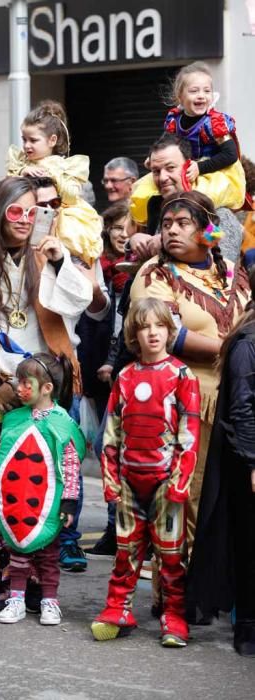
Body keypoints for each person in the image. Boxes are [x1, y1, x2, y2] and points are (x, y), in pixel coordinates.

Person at [0, 176, 95, 611]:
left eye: (34, 212)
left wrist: (59, 260)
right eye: (16, 211)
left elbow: (78, 303)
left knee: (43, 487)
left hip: (45, 392)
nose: (26, 220)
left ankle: (37, 586)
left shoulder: (46, 255)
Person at [130, 191, 250, 562]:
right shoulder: (155, 274)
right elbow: (166, 332)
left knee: (235, 494)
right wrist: (234, 348)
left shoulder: (232, 270)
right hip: (187, 400)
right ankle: (180, 589)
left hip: (238, 398)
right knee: (188, 492)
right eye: (166, 225)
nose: (172, 232)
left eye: (183, 223)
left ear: (206, 231)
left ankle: (227, 591)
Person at [91, 298, 201, 648]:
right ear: (133, 334)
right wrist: (111, 480)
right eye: (144, 326)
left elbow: (190, 434)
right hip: (128, 484)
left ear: (170, 331)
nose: (152, 333)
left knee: (171, 558)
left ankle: (174, 617)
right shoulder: (124, 376)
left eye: (159, 326)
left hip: (166, 484)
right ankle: (117, 610)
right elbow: (111, 433)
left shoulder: (183, 377)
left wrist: (179, 482)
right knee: (125, 553)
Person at [31, 175, 110, 572]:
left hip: (64, 371)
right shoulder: (3, 254)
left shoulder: (74, 251)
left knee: (68, 459)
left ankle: (68, 538)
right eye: (35, 207)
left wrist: (70, 268)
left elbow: (97, 310)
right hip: (18, 372)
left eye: (51, 205)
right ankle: (20, 536)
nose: (45, 214)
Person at [0, 353, 86, 625]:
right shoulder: (15, 420)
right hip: (18, 504)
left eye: (26, 383)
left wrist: (69, 502)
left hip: (47, 504)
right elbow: (2, 457)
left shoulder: (62, 423)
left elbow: (71, 467)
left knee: (49, 555)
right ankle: (16, 598)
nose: (18, 389)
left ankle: (50, 601)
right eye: (18, 382)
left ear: (47, 388)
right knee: (17, 552)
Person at [189, 267, 255, 656]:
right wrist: (251, 461)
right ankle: (246, 624)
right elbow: (244, 407)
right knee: (248, 544)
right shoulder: (247, 342)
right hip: (246, 456)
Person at [81, 202, 132, 559]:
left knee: (110, 446)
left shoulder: (135, 272)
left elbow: (126, 325)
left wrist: (114, 361)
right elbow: (113, 323)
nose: (122, 233)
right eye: (116, 226)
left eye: (128, 227)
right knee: (108, 447)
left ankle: (123, 528)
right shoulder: (105, 268)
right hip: (104, 368)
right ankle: (116, 527)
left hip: (129, 372)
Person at [7, 100, 103, 267]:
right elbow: (6, 191)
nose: (27, 145)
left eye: (33, 140)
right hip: (26, 218)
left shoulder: (64, 166)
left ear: (52, 140)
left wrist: (53, 175)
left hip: (61, 219)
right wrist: (22, 173)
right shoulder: (20, 164)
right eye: (24, 140)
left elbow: (71, 196)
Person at [129, 134, 244, 264]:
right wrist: (134, 242)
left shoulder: (218, 214)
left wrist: (165, 243)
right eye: (156, 171)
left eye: (170, 168)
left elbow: (222, 269)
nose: (162, 177)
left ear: (190, 166)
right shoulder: (156, 205)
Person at [163, 62, 243, 188]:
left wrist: (200, 168)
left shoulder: (214, 122)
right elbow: (164, 146)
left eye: (207, 91)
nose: (201, 96)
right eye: (194, 91)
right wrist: (153, 158)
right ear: (180, 96)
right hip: (185, 173)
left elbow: (230, 155)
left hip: (213, 175)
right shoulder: (174, 120)